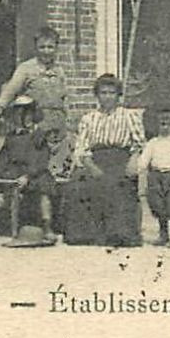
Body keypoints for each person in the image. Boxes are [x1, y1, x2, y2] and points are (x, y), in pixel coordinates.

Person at [64, 74, 146, 247]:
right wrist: (90, 166)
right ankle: (86, 235)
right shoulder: (89, 118)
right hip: (95, 158)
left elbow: (139, 144)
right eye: (103, 92)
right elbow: (82, 147)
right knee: (79, 185)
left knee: (118, 184)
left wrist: (133, 160)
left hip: (121, 158)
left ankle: (119, 234)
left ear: (118, 95)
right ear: (97, 95)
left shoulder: (129, 116)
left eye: (112, 93)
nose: (107, 97)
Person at [0, 97, 59, 244]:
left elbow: (41, 159)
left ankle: (47, 227)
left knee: (44, 188)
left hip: (35, 171)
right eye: (17, 114)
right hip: (14, 171)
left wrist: (28, 176)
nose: (22, 117)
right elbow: (3, 157)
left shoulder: (39, 136)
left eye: (26, 113)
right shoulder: (12, 136)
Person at [0, 24, 70, 135]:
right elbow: (10, 91)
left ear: (56, 48)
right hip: (35, 124)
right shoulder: (26, 69)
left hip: (58, 125)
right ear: (36, 48)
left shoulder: (59, 71)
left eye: (50, 47)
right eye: (42, 47)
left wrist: (68, 123)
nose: (46, 51)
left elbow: (64, 100)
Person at [139, 106, 170, 248]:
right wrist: (140, 168)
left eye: (169, 124)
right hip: (156, 176)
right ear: (156, 125)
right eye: (162, 124)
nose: (165, 128)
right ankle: (163, 234)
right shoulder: (153, 143)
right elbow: (144, 159)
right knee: (158, 205)